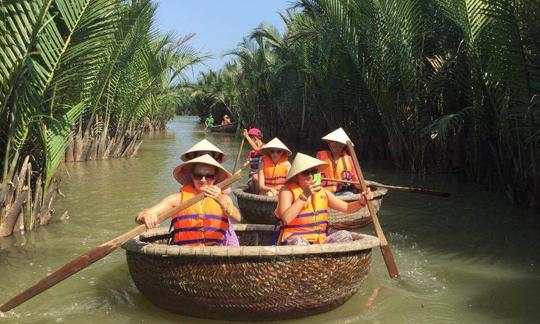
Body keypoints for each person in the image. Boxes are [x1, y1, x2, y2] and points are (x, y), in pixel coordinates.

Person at [136, 154, 241, 246]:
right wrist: (146, 217)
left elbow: (238, 218)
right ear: (192, 176)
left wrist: (223, 202)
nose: (203, 180)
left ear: (215, 178)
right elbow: (140, 216)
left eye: (209, 176)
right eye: (198, 175)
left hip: (217, 255)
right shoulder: (177, 199)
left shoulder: (224, 198)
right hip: (184, 257)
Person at [275, 153, 373, 245]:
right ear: (296, 177)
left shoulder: (323, 192)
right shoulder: (286, 191)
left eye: (313, 172)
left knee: (344, 235)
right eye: (305, 173)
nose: (310, 176)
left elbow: (347, 208)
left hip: (320, 242)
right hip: (295, 240)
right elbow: (286, 219)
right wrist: (305, 196)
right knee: (300, 243)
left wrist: (361, 202)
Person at [179, 139, 240, 246]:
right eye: (201, 155)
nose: (205, 158)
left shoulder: (221, 185)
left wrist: (221, 199)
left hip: (218, 228)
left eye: (208, 156)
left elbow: (238, 217)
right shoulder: (181, 195)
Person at [316, 128, 361, 195]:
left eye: (337, 142)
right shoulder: (320, 155)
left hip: (342, 192)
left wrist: (363, 185)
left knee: (349, 194)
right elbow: (316, 175)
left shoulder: (349, 159)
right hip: (324, 192)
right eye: (332, 142)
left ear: (343, 145)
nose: (333, 144)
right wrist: (317, 188)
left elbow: (356, 182)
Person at [242, 128, 265, 193]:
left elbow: (257, 149)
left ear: (254, 139)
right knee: (255, 177)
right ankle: (257, 195)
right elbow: (245, 165)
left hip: (263, 179)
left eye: (250, 139)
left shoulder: (266, 149)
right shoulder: (251, 153)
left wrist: (246, 136)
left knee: (256, 177)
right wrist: (236, 173)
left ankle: (259, 195)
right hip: (252, 180)